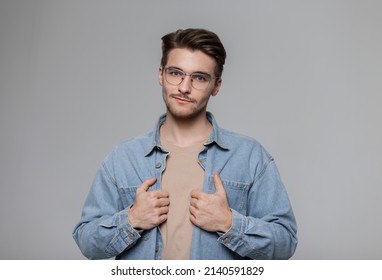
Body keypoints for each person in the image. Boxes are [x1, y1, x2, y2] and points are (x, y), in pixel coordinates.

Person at [72, 28, 297, 260]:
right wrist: (132, 220)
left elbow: (285, 242)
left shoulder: (250, 156)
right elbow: (87, 242)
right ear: (161, 74)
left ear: (216, 86)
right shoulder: (123, 158)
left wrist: (229, 223)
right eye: (175, 73)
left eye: (199, 77)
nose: (184, 87)